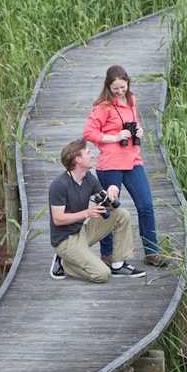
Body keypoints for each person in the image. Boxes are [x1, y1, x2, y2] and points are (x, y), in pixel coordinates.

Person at [83, 65, 166, 267]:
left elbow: (134, 121)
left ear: (128, 83)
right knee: (109, 209)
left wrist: (138, 130)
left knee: (146, 205)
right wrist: (115, 137)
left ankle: (151, 252)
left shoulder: (131, 100)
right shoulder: (103, 106)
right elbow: (89, 133)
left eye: (123, 87)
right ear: (108, 87)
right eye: (116, 88)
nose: (120, 91)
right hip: (110, 164)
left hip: (133, 160)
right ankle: (107, 253)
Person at [49, 138, 146, 282]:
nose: (92, 155)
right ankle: (65, 263)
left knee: (121, 214)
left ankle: (118, 265)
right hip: (65, 240)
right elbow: (58, 219)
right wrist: (87, 213)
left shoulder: (88, 178)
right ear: (78, 160)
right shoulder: (59, 185)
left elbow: (107, 204)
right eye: (88, 153)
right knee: (102, 274)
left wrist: (112, 191)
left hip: (82, 232)